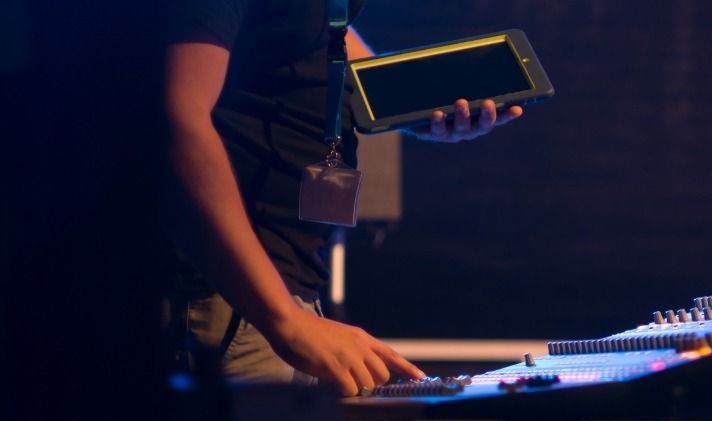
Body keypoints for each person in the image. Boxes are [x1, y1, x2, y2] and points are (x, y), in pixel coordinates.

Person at [163, 0, 522, 395]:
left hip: (280, 295)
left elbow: (325, 45)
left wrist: (414, 108)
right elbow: (177, 123)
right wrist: (283, 319)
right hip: (238, 300)